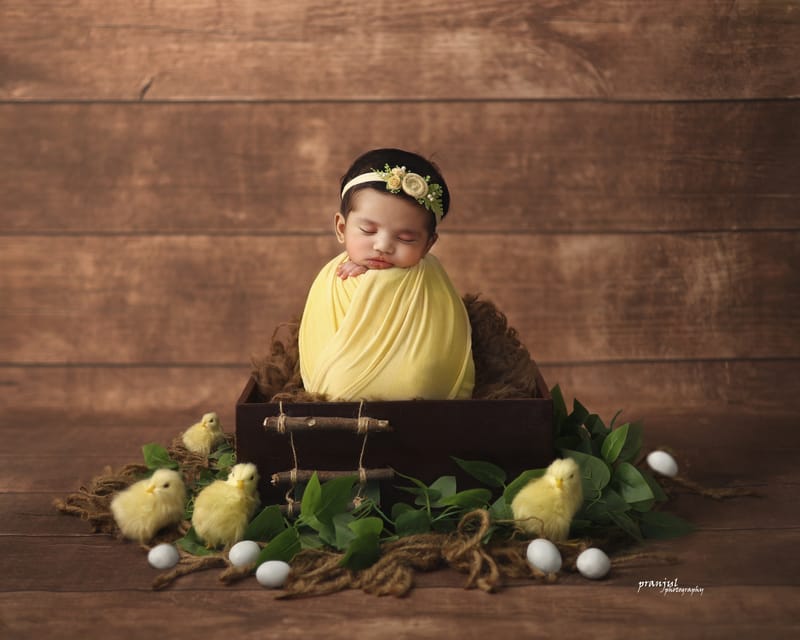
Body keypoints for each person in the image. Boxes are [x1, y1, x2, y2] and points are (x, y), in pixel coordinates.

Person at [298, 148, 475, 401]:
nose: (382, 246)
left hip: (427, 407)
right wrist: (364, 280)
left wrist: (379, 280)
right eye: (368, 231)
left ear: (428, 245)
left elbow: (444, 337)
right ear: (341, 228)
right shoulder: (333, 280)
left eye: (406, 238)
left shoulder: (428, 280)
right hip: (333, 406)